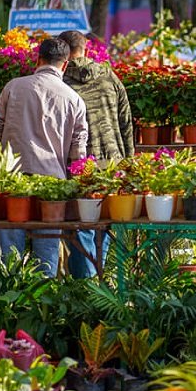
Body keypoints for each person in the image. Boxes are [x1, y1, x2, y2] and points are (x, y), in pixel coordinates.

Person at [0, 38, 88, 276]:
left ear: (37, 59)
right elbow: (78, 152)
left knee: (8, 250)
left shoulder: (13, 87)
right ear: (65, 65)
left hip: (12, 179)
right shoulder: (74, 99)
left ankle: (7, 300)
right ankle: (41, 305)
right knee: (46, 251)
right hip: (52, 186)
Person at [59, 30, 134, 278]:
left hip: (79, 165)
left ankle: (86, 287)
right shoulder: (109, 77)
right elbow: (126, 122)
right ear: (87, 50)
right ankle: (99, 284)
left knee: (80, 228)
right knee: (105, 225)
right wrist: (129, 162)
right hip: (113, 163)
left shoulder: (61, 83)